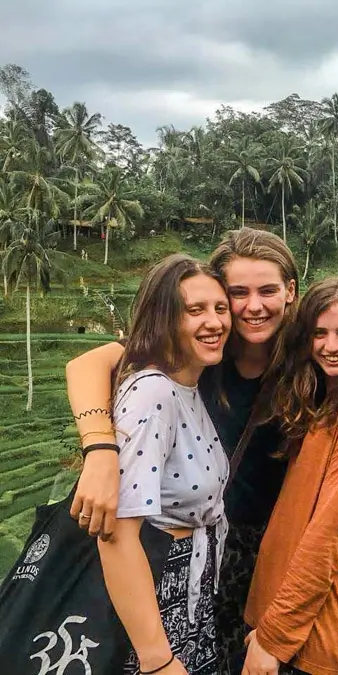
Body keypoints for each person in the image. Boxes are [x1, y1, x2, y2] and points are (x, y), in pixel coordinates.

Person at [65, 228, 298, 672]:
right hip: (175, 564)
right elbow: (86, 364)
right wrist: (100, 449)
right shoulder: (186, 364)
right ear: (171, 317)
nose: (250, 307)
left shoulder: (305, 357)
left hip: (252, 555)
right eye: (236, 294)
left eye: (267, 290)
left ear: (290, 292)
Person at [241, 277, 338, 675]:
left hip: (309, 635)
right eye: (320, 334)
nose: (332, 347)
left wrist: (273, 638)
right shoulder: (327, 400)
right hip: (283, 618)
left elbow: (330, 531)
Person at [95, 253, 231, 674]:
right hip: (159, 599)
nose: (214, 321)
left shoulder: (189, 386)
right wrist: (157, 660)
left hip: (189, 596)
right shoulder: (154, 394)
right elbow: (116, 531)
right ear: (165, 319)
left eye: (220, 308)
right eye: (195, 310)